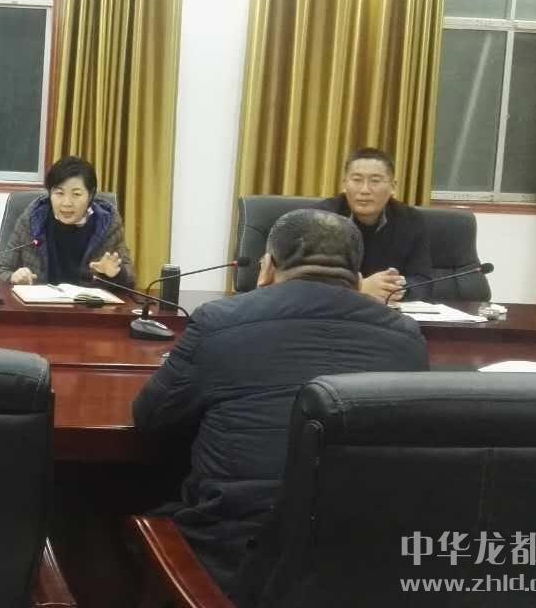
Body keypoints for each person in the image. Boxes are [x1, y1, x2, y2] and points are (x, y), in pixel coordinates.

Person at [132, 209, 427, 597]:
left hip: (238, 560)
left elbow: (151, 418)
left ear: (267, 268)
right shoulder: (407, 337)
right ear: (358, 279)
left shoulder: (219, 321)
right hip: (361, 567)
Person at [0, 156, 134, 287]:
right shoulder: (33, 219)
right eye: (59, 193)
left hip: (87, 304)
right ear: (50, 193)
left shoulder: (107, 223)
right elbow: (0, 271)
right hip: (39, 303)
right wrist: (13, 277)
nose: (66, 203)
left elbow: (130, 280)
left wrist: (115, 274)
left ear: (91, 195)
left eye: (76, 194)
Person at [316, 147, 432, 301]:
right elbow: (307, 279)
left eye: (375, 181)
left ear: (393, 187)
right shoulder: (322, 218)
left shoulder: (411, 220)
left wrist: (398, 288)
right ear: (344, 185)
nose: (365, 190)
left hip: (386, 309)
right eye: (357, 180)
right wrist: (359, 287)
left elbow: (423, 281)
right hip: (336, 307)